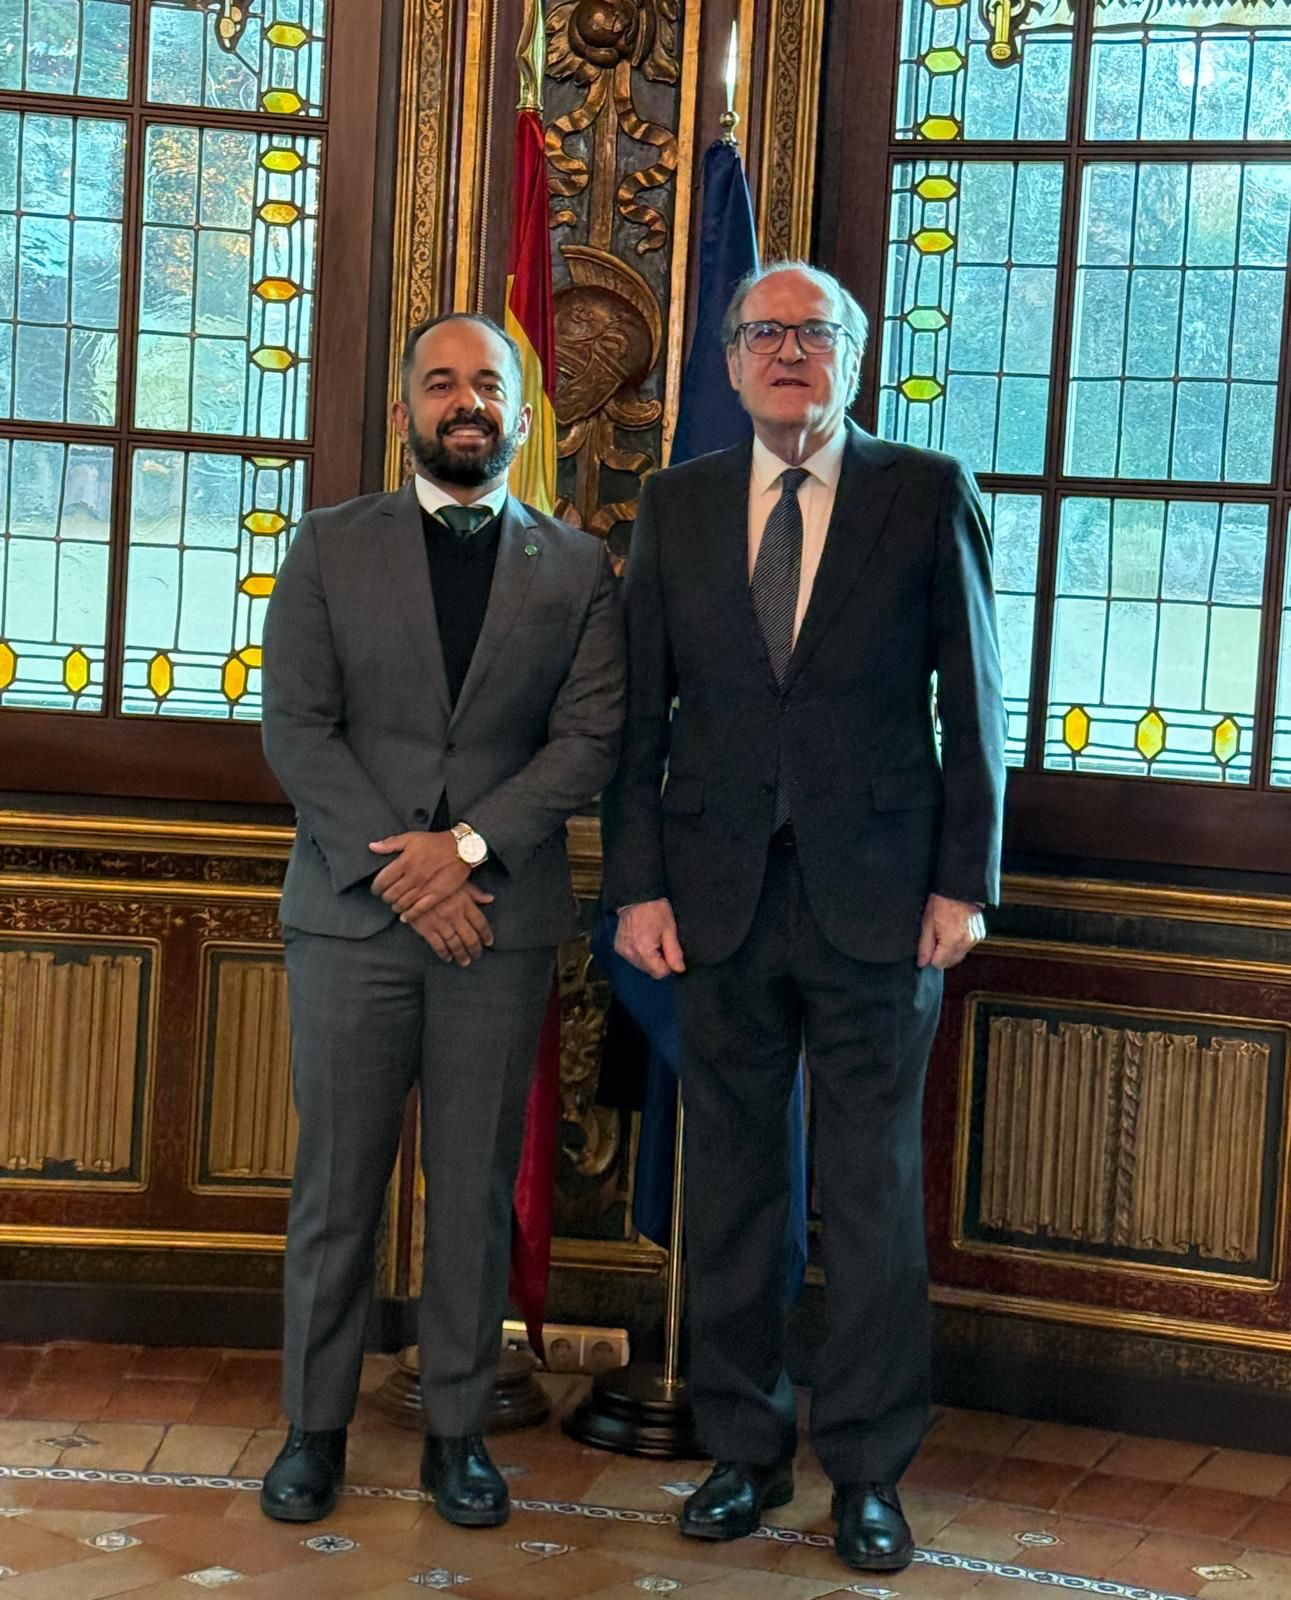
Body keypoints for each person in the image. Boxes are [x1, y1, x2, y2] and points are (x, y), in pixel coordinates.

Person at [603, 262, 1005, 1575]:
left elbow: (975, 705)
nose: (789, 352)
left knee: (871, 1195)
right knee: (730, 1190)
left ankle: (868, 1473)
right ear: (729, 363)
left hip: (882, 903)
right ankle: (742, 1449)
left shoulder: (923, 490)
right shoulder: (675, 503)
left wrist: (962, 884)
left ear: (854, 357)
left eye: (813, 332)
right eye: (764, 333)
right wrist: (636, 884)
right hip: (712, 899)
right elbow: (639, 715)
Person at [259, 311, 624, 1528]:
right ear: (405, 409)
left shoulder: (576, 568)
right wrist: (407, 872)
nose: (465, 402)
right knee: (337, 1189)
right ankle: (312, 1431)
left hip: (496, 926)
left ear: (520, 413)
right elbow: (297, 729)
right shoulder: (328, 544)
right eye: (441, 382)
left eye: (488, 384)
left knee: (472, 1192)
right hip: (351, 922)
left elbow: (588, 740)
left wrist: (463, 851)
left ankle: (458, 1436)